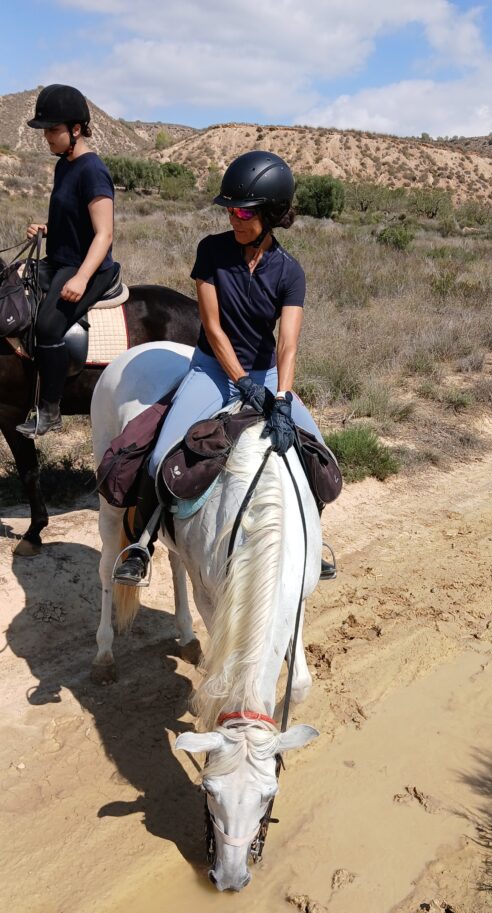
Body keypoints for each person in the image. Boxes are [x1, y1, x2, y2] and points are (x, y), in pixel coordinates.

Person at [114, 149, 334, 585]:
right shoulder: (211, 251)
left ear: (271, 214)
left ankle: (312, 538)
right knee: (160, 456)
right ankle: (140, 545)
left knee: (319, 457)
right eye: (230, 210)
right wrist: (242, 383)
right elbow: (213, 330)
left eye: (243, 211)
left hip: (267, 375)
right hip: (212, 371)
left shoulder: (290, 272)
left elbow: (288, 343)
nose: (234, 218)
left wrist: (282, 397)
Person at [17, 84, 117, 438]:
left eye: (52, 129)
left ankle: (50, 410)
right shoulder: (64, 165)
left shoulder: (93, 171)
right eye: (44, 130)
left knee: (47, 326)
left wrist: (81, 278)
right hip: (60, 259)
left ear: (76, 129)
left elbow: (103, 234)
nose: (46, 136)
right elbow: (73, 221)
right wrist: (46, 229)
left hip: (88, 267)